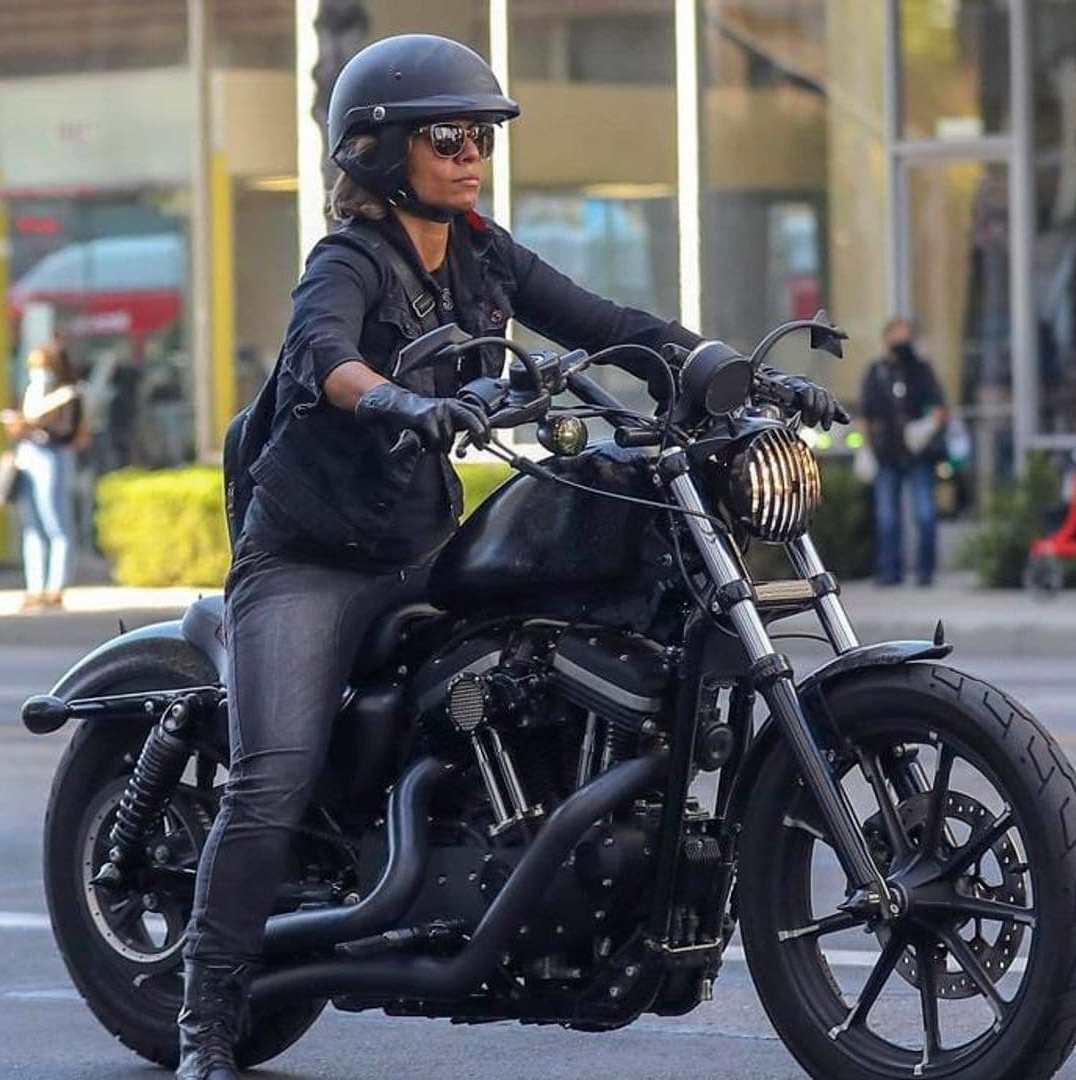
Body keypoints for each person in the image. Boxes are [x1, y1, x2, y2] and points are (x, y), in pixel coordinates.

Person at [174, 34, 845, 1080]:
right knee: (274, 777)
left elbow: (610, 327)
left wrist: (741, 378)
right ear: (381, 150)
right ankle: (206, 1017)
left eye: (481, 134)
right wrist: (405, 399)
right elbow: (323, 358)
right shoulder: (347, 259)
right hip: (310, 559)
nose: (472, 153)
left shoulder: (482, 252)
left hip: (420, 544)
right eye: (449, 136)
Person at [860, 316, 947, 587]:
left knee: (924, 514)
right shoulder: (876, 372)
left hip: (918, 454)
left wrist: (926, 427)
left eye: (906, 336)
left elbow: (939, 408)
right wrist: (866, 447)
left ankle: (925, 572)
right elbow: (866, 414)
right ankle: (889, 572)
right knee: (887, 517)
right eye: (896, 336)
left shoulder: (921, 371)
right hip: (886, 453)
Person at [0, 338, 83, 610]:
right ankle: (35, 587)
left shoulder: (67, 393)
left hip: (52, 457)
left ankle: (55, 586)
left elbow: (67, 430)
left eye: (42, 366)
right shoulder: (34, 389)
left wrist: (34, 421)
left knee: (55, 521)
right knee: (31, 525)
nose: (37, 372)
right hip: (28, 456)